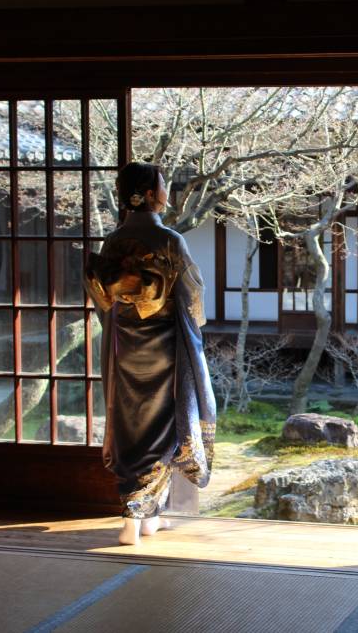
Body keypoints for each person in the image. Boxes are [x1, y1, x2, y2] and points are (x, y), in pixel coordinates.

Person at [82, 161, 216, 545]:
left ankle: (139, 518)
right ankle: (141, 516)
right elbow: (191, 295)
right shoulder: (171, 241)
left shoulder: (113, 242)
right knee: (164, 425)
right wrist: (193, 326)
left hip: (125, 345)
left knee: (130, 424)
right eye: (161, 185)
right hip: (164, 346)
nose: (164, 191)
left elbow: (105, 300)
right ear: (149, 193)